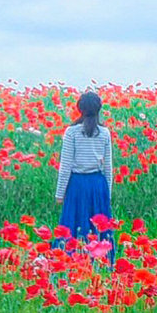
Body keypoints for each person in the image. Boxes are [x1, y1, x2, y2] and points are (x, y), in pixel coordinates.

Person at [53, 90, 115, 264]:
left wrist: (59, 194)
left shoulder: (72, 132)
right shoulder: (104, 132)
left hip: (77, 184)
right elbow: (108, 167)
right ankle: (102, 262)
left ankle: (71, 261)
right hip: (98, 184)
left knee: (73, 223)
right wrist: (107, 193)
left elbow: (65, 166)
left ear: (79, 109)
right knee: (99, 226)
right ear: (98, 109)